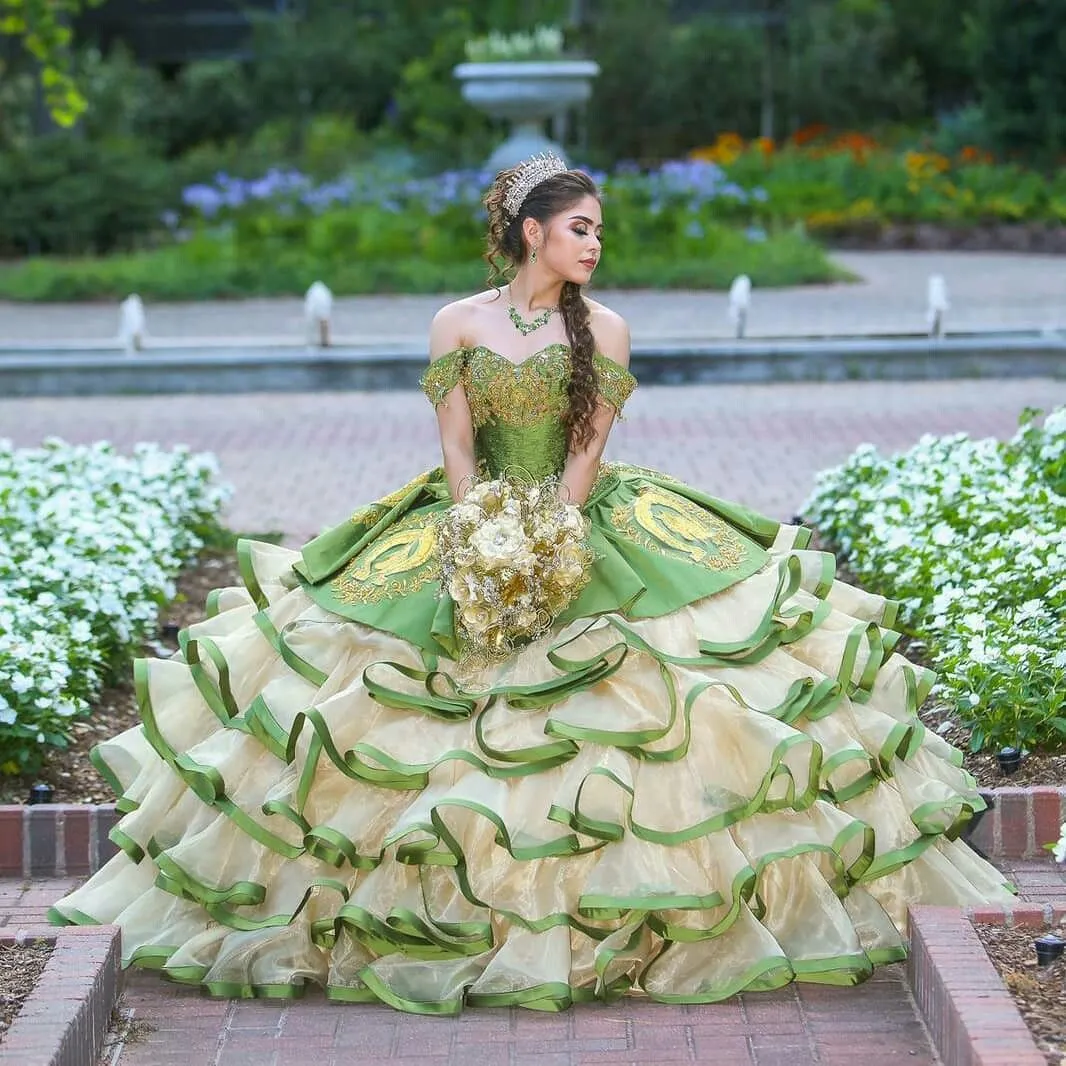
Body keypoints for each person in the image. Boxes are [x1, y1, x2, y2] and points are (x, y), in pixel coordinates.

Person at [50, 154, 1013, 1013]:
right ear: (531, 232)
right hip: (470, 513)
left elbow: (590, 449)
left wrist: (550, 529)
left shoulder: (609, 329)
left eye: (599, 231)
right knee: (373, 689)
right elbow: (456, 444)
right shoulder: (455, 324)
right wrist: (476, 531)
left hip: (582, 514)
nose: (596, 245)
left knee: (672, 691)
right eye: (581, 228)